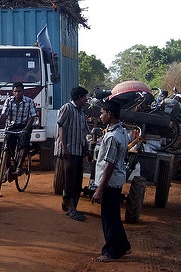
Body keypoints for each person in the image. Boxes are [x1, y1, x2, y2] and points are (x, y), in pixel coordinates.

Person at [92, 99, 131, 263]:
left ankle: (111, 252)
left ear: (110, 114)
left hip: (110, 182)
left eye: (102, 113)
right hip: (116, 180)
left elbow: (109, 165)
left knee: (109, 218)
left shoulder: (113, 137)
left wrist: (100, 189)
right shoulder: (122, 132)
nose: (101, 116)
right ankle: (123, 245)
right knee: (113, 215)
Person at [54, 86, 89, 221]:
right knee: (69, 180)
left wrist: (85, 144)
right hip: (68, 150)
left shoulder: (81, 112)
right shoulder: (67, 108)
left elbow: (83, 131)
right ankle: (71, 209)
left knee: (76, 180)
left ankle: (69, 205)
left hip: (78, 150)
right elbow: (61, 128)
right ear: (80, 97)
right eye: (85, 97)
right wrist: (64, 148)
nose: (86, 99)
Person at [0, 82, 37, 175]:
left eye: (19, 91)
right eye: (15, 91)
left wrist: (26, 128)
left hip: (24, 127)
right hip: (11, 127)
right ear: (13, 92)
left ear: (23, 91)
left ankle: (19, 167)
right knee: (7, 147)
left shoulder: (30, 101)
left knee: (24, 145)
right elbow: (4, 115)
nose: (17, 93)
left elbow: (32, 116)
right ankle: (8, 170)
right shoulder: (8, 101)